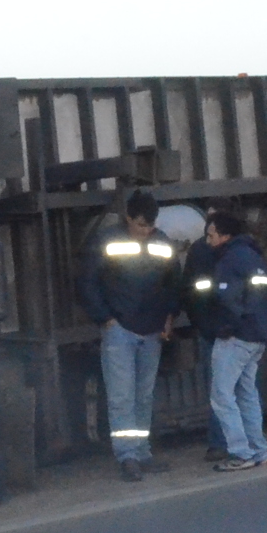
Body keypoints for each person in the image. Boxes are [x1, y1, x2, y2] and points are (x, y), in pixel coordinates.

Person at [78, 189, 181, 480]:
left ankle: (141, 453)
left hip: (149, 329)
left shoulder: (161, 241)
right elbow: (87, 282)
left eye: (150, 225)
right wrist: (106, 319)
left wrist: (170, 315)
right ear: (128, 218)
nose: (145, 231)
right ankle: (128, 456)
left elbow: (174, 281)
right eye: (140, 225)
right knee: (122, 397)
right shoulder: (107, 240)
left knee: (143, 396)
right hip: (121, 329)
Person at [189, 210, 267, 470]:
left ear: (225, 236)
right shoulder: (251, 254)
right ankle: (258, 451)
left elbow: (227, 298)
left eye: (211, 235)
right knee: (247, 394)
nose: (208, 241)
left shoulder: (229, 260)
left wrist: (225, 326)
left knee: (222, 396)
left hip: (236, 337)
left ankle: (240, 453)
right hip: (256, 335)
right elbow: (260, 292)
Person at [179, 229, 230, 461]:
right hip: (218, 330)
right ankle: (236, 443)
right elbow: (189, 290)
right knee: (232, 389)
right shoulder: (202, 250)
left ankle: (230, 443)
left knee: (227, 389)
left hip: (225, 331)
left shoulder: (238, 250)